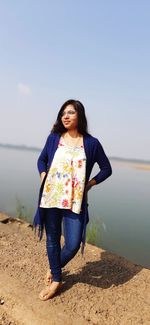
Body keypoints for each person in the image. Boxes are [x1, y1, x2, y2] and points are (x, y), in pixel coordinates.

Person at [33, 99, 112, 301]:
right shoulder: (54, 138)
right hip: (51, 196)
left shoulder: (91, 143)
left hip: (74, 200)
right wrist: (43, 175)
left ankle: (54, 268)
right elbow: (41, 160)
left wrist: (89, 184)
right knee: (52, 238)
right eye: (62, 113)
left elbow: (106, 169)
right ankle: (57, 279)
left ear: (80, 116)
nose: (65, 116)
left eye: (70, 112)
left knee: (73, 243)